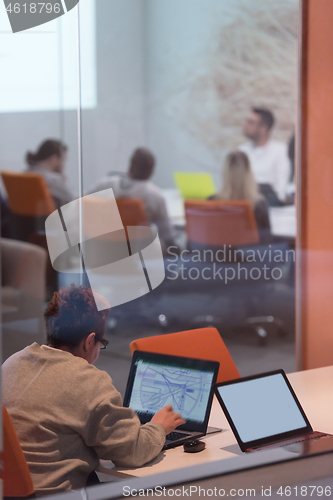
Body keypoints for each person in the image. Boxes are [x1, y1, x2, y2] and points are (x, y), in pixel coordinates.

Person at [2, 285, 185, 495]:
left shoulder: (11, 364)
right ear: (89, 341)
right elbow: (132, 452)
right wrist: (159, 427)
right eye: (101, 342)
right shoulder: (88, 381)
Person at [90, 148, 174, 249]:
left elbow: (80, 205)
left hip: (101, 250)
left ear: (130, 166)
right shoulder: (154, 195)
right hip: (139, 254)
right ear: (151, 172)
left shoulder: (104, 185)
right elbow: (166, 233)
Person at [209, 150, 271, 243]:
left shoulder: (211, 202)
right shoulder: (258, 205)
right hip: (249, 255)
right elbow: (267, 240)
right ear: (249, 173)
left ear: (225, 172)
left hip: (215, 255)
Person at [239, 108, 290, 204]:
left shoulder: (279, 150)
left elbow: (281, 189)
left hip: (271, 207)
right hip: (245, 204)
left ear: (263, 128)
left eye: (250, 122)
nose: (245, 125)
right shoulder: (242, 150)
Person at [26, 139, 74, 208]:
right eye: (63, 160)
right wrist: (64, 180)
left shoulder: (26, 174)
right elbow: (72, 199)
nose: (64, 165)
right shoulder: (52, 179)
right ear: (54, 158)